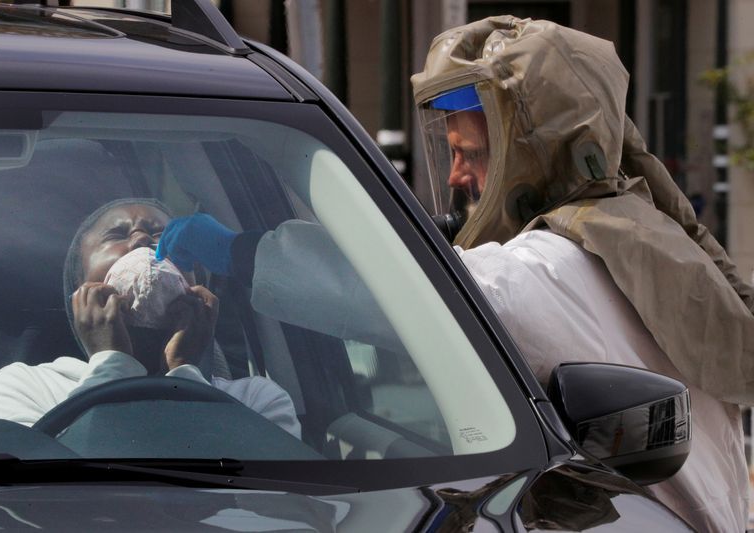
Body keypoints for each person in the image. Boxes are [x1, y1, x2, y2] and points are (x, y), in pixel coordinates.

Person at [156, 17, 753, 532]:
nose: (454, 177)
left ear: (533, 154)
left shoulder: (547, 268)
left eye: (472, 155)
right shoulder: (640, 237)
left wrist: (236, 250)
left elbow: (394, 292)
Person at [0, 198, 301, 439]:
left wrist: (183, 371)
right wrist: (112, 362)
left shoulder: (258, 399)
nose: (142, 240)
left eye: (162, 233)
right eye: (117, 234)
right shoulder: (27, 387)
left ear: (195, 282)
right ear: (79, 286)